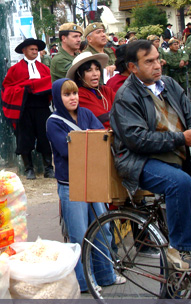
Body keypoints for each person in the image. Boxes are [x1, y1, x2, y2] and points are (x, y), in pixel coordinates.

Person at [110, 40, 191, 272]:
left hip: (173, 156)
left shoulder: (169, 84)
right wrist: (183, 138)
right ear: (133, 67)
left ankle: (171, 283)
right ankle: (179, 247)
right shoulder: (126, 96)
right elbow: (136, 140)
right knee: (179, 182)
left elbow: (190, 114)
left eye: (158, 59)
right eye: (149, 62)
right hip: (139, 161)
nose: (157, 65)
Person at [46, 79, 125, 291]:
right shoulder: (53, 122)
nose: (73, 98)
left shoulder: (87, 114)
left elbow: (102, 140)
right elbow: (67, 150)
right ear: (57, 98)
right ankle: (84, 281)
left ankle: (105, 275)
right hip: (70, 183)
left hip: (93, 178)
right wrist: (89, 141)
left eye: (74, 93)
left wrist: (85, 141)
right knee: (79, 234)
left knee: (102, 229)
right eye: (66, 95)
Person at [2, 38, 54, 179]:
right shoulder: (15, 69)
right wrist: (25, 88)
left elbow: (50, 83)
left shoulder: (44, 68)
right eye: (32, 49)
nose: (35, 52)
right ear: (24, 51)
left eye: (36, 49)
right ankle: (28, 169)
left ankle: (48, 168)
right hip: (24, 107)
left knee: (45, 136)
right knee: (24, 137)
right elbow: (7, 88)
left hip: (42, 106)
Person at [66, 52, 115, 128]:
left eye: (97, 69)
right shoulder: (80, 95)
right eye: (89, 70)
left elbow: (124, 110)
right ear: (79, 76)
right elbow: (101, 119)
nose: (95, 74)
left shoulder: (107, 90)